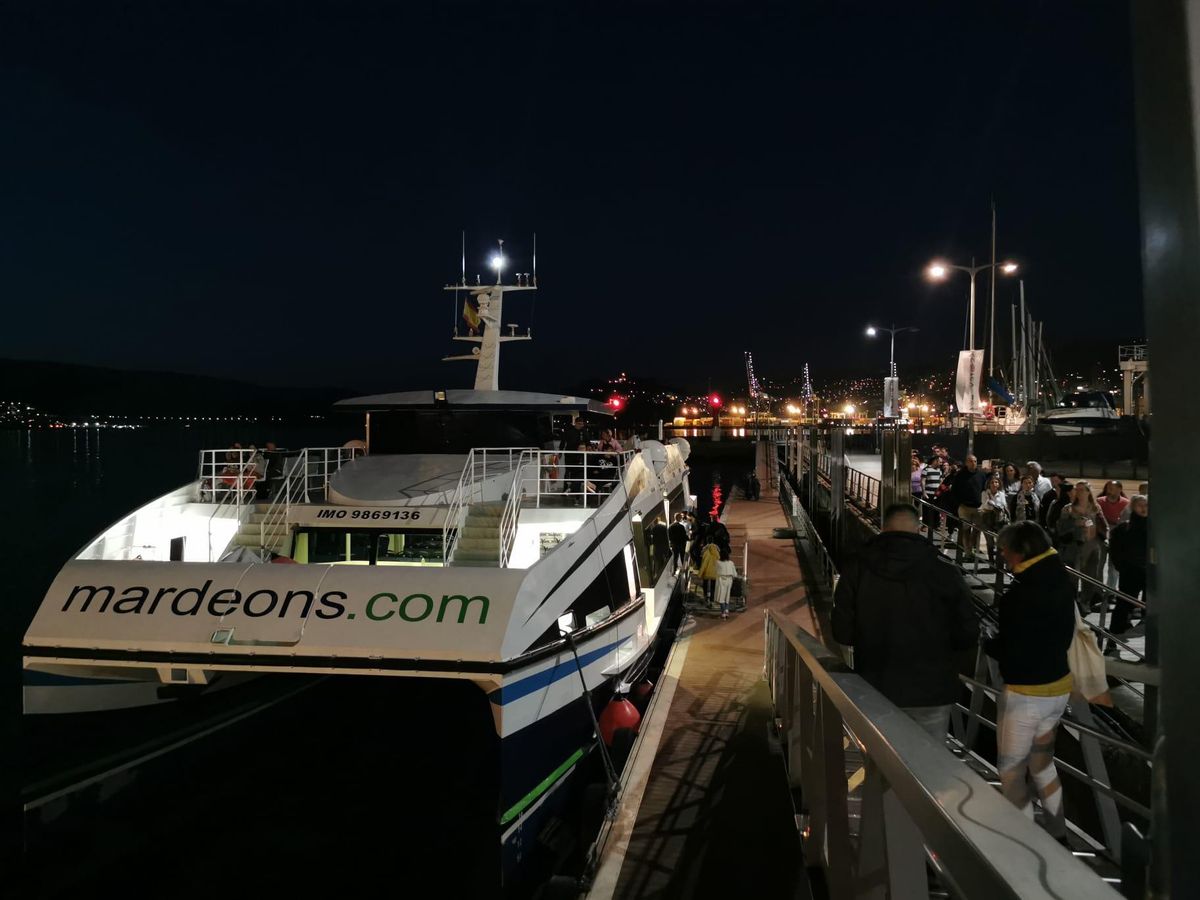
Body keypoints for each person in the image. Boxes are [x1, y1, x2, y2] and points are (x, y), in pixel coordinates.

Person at [831, 504, 978, 739]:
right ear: (919, 529)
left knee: (881, 764)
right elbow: (968, 633)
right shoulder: (944, 570)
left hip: (876, 685)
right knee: (927, 767)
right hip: (932, 689)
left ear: (882, 528)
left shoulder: (857, 567)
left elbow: (842, 632)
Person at [986, 521, 1076, 841]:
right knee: (1042, 765)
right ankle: (1058, 834)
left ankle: (1025, 842)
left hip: (1025, 695)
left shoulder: (1019, 595)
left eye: (1004, 549)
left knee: (1012, 771)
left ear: (1021, 551)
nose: (1002, 554)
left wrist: (988, 643)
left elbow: (1010, 644)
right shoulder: (1062, 579)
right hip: (1059, 689)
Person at [1056, 481, 1107, 610]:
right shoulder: (1068, 509)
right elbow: (1060, 528)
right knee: (1072, 577)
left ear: (1088, 491)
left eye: (1081, 490)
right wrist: (1074, 525)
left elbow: (1103, 526)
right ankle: (1071, 604)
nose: (1078, 492)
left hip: (1092, 547)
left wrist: (1103, 538)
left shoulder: (1096, 508)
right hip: (1074, 548)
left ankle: (1085, 602)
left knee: (1090, 578)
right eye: (1076, 489)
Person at [1107, 494, 1148, 652]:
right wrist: (1121, 566)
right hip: (1130, 572)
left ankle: (1148, 650)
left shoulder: (1156, 527)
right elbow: (1115, 550)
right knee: (1123, 606)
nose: (1143, 508)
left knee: (1150, 611)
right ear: (1133, 507)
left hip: (1150, 573)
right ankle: (1112, 640)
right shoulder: (1123, 528)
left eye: (1146, 505)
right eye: (1140, 505)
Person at [950, 454, 987, 556]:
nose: (973, 463)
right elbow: (954, 490)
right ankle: (967, 552)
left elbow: (984, 490)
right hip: (964, 507)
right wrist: (959, 504)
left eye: (975, 461)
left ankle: (971, 546)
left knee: (976, 530)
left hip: (978, 507)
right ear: (966, 462)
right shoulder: (960, 475)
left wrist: (983, 504)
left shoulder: (981, 475)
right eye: (970, 461)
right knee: (965, 530)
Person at [1097, 481, 1129, 591]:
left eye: (1112, 488)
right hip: (1101, 537)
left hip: (1118, 539)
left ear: (1120, 489)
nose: (1109, 490)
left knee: (1114, 567)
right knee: (1099, 565)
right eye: (1108, 488)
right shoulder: (1100, 502)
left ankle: (1111, 591)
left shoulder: (1126, 504)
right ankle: (1098, 590)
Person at [980, 473, 1010, 564]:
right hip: (988, 519)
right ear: (989, 484)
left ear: (999, 484)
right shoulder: (985, 493)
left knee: (1000, 541)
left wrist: (994, 504)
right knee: (990, 542)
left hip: (999, 519)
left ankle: (999, 562)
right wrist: (991, 504)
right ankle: (991, 562)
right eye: (992, 482)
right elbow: (984, 505)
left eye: (996, 482)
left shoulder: (1001, 494)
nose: (994, 484)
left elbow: (1003, 505)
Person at [714, 547, 738, 619]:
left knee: (721, 597)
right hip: (729, 580)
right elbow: (735, 574)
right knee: (727, 596)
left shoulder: (717, 562)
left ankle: (723, 612)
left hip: (721, 580)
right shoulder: (731, 563)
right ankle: (727, 611)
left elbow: (716, 570)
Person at [699, 537, 720, 603]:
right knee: (713, 585)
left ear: (707, 541)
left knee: (705, 584)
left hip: (707, 571)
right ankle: (712, 598)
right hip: (715, 571)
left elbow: (704, 563)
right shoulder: (717, 550)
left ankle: (705, 596)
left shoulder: (705, 550)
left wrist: (700, 573)